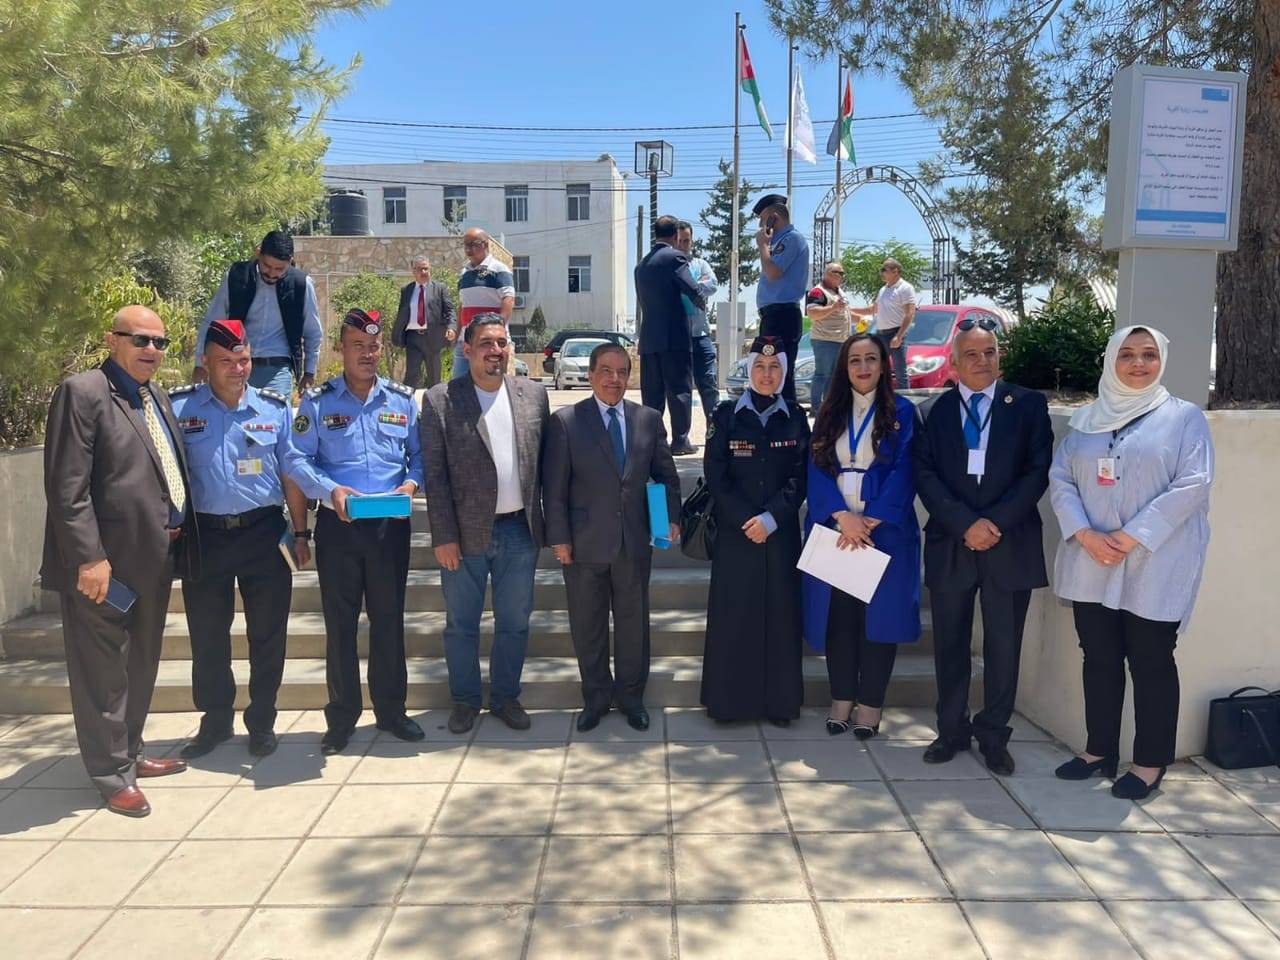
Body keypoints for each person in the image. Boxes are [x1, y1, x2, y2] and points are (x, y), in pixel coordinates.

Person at [1049, 326, 1214, 800]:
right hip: (1092, 558)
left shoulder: (1183, 418)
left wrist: (1128, 537)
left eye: (1148, 354)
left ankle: (1149, 762)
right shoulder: (1086, 420)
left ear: (1161, 360)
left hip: (1154, 561)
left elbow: (1193, 483)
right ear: (1110, 360)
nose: (1138, 364)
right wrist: (1085, 533)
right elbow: (1061, 479)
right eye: (1127, 354)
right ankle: (1098, 750)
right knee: (1099, 657)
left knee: (1151, 660)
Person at [41, 305, 192, 817]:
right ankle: (111, 774)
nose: (152, 350)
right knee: (102, 672)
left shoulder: (155, 396)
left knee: (140, 663)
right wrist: (89, 558)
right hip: (104, 568)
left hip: (152, 560)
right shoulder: (83, 393)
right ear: (112, 340)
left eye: (160, 342)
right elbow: (67, 488)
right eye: (140, 339)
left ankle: (130, 752)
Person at [913, 317, 1053, 774]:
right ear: (954, 363)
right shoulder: (930, 411)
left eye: (989, 352)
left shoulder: (1028, 405)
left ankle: (994, 734)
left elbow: (1037, 470)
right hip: (952, 543)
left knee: (1004, 647)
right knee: (950, 644)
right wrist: (965, 525)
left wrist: (993, 523)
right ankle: (951, 730)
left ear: (999, 357)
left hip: (1009, 542)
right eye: (971, 354)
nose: (982, 361)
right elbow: (925, 476)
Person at [170, 320, 313, 760]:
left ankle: (262, 720)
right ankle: (215, 720)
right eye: (226, 361)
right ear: (205, 363)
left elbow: (291, 474)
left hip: (263, 534)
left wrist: (301, 532)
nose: (238, 369)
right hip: (206, 535)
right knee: (207, 635)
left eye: (244, 360)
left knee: (268, 635)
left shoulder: (274, 408)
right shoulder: (180, 408)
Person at [291, 308, 425, 754]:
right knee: (341, 625)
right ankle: (342, 717)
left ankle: (392, 711)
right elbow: (296, 459)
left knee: (389, 620)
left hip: (389, 526)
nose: (367, 354)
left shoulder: (401, 400)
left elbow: (420, 455)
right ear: (341, 350)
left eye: (373, 346)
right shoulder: (318, 402)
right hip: (340, 527)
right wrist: (330, 491)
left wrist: (411, 483)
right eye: (357, 346)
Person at [421, 315, 551, 735]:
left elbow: (547, 466)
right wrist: (443, 536)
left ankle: (505, 697)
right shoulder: (441, 399)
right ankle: (465, 700)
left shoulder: (534, 395)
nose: (495, 351)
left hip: (520, 532)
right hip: (464, 535)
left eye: (501, 343)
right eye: (486, 344)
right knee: (461, 624)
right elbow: (435, 476)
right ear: (467, 350)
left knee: (515, 622)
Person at [542, 342, 682, 732]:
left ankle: (632, 698)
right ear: (590, 375)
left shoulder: (648, 419)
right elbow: (554, 489)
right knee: (588, 626)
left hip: (633, 543)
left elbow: (666, 476)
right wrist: (559, 538)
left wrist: (670, 518)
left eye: (621, 372)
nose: (614, 379)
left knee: (634, 626)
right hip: (583, 545)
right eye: (605, 370)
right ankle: (596, 698)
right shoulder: (566, 422)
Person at [803, 333, 921, 738]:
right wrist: (841, 516)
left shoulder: (903, 412)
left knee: (879, 622)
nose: (864, 367)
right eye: (855, 360)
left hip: (881, 533)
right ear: (845, 367)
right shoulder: (829, 412)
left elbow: (906, 469)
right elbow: (816, 465)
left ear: (884, 365)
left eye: (871, 359)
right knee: (840, 620)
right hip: (837, 531)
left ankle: (870, 704)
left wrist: (870, 520)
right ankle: (841, 698)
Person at [701, 336, 810, 725]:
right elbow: (716, 474)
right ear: (749, 370)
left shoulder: (795, 416)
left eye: (774, 367)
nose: (767, 375)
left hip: (780, 536)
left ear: (784, 372)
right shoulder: (726, 415)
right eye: (760, 367)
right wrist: (748, 519)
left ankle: (779, 704)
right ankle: (731, 705)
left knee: (781, 617)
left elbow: (801, 476)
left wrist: (772, 518)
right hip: (737, 535)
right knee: (735, 617)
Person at [195, 230, 323, 396]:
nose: (271, 273)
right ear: (258, 253)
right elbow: (212, 322)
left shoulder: (301, 284)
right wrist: (200, 364)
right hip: (235, 365)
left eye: (279, 269)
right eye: (267, 266)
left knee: (274, 410)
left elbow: (313, 333)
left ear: (290, 261)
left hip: (278, 368)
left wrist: (309, 373)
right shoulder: (235, 277)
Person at [636, 214, 706, 456]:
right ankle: (680, 441)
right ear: (676, 235)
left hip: (649, 339)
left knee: (652, 394)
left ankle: (653, 442)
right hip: (674, 338)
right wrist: (700, 300)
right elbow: (692, 289)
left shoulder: (641, 266)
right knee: (680, 391)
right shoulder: (675, 257)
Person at [752, 194, 810, 403]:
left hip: (783, 315)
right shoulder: (777, 242)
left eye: (763, 220)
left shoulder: (791, 239)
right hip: (773, 316)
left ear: (773, 218)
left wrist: (762, 246)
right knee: (771, 373)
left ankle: (788, 418)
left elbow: (773, 272)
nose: (761, 226)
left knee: (781, 373)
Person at [675, 220, 721, 424]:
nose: (682, 245)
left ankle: (715, 430)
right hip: (678, 337)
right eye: (679, 241)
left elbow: (713, 285)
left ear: (692, 241)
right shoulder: (669, 266)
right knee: (681, 390)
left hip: (701, 335)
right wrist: (695, 286)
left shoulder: (700, 264)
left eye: (686, 241)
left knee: (709, 384)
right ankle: (681, 436)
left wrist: (687, 286)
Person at [453, 229, 514, 381]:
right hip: (465, 342)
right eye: (466, 245)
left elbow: (508, 300)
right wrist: (457, 334)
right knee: (459, 386)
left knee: (491, 383)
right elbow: (462, 306)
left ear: (485, 245)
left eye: (473, 244)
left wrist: (498, 331)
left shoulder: (499, 270)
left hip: (490, 343)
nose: (468, 249)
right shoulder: (464, 273)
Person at [392, 255, 457, 389]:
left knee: (434, 377)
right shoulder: (407, 290)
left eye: (426, 269)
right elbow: (402, 313)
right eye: (420, 269)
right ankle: (408, 401)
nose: (424, 272)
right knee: (411, 376)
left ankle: (435, 401)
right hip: (413, 338)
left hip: (433, 338)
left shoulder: (439, 288)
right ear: (414, 271)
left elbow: (450, 310)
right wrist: (397, 334)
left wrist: (451, 327)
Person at [852, 258, 916, 389]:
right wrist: (849, 310)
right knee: (877, 369)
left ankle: (904, 399)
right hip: (880, 334)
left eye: (884, 270)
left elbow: (909, 313)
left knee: (900, 371)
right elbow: (872, 309)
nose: (881, 273)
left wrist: (899, 336)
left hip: (895, 332)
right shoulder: (883, 289)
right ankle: (881, 396)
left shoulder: (905, 288)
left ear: (895, 271)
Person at [805, 261, 854, 409]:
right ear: (827, 274)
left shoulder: (839, 292)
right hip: (825, 340)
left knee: (834, 377)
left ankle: (829, 406)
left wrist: (867, 314)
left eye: (842, 273)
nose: (841, 276)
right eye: (837, 272)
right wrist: (833, 307)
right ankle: (816, 407)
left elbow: (845, 312)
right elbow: (812, 313)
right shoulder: (818, 292)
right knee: (822, 374)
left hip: (840, 340)